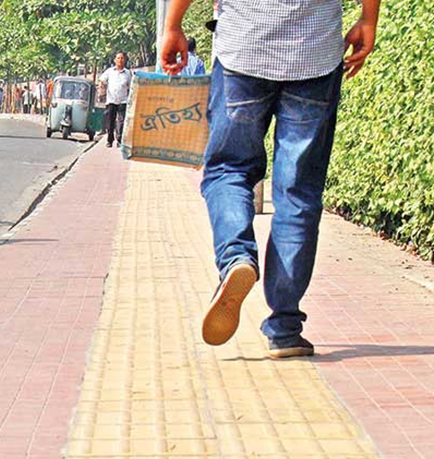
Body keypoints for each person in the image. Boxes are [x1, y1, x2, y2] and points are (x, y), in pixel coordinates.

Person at [161, 0, 380, 358]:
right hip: (316, 54)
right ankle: (285, 329)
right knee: (299, 195)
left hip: (243, 51)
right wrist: (368, 19)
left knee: (228, 171)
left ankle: (236, 257)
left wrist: (173, 25)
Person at [99, 52, 132, 147]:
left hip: (123, 100)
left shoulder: (127, 73)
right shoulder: (109, 71)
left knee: (121, 122)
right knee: (110, 122)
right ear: (115, 60)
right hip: (111, 100)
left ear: (124, 60)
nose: (120, 60)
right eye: (118, 58)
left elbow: (130, 86)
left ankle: (119, 140)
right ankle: (109, 140)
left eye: (122, 58)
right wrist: (102, 85)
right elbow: (102, 80)